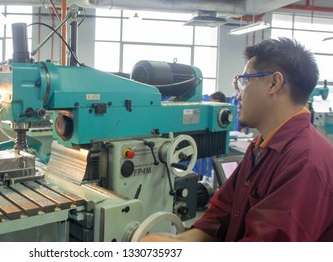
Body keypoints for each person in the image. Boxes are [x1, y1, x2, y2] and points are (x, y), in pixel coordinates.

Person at [141, 37, 333, 242]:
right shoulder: (260, 147)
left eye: (244, 81)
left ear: (274, 83)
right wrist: (179, 242)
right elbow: (222, 212)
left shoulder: (306, 162)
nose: (238, 95)